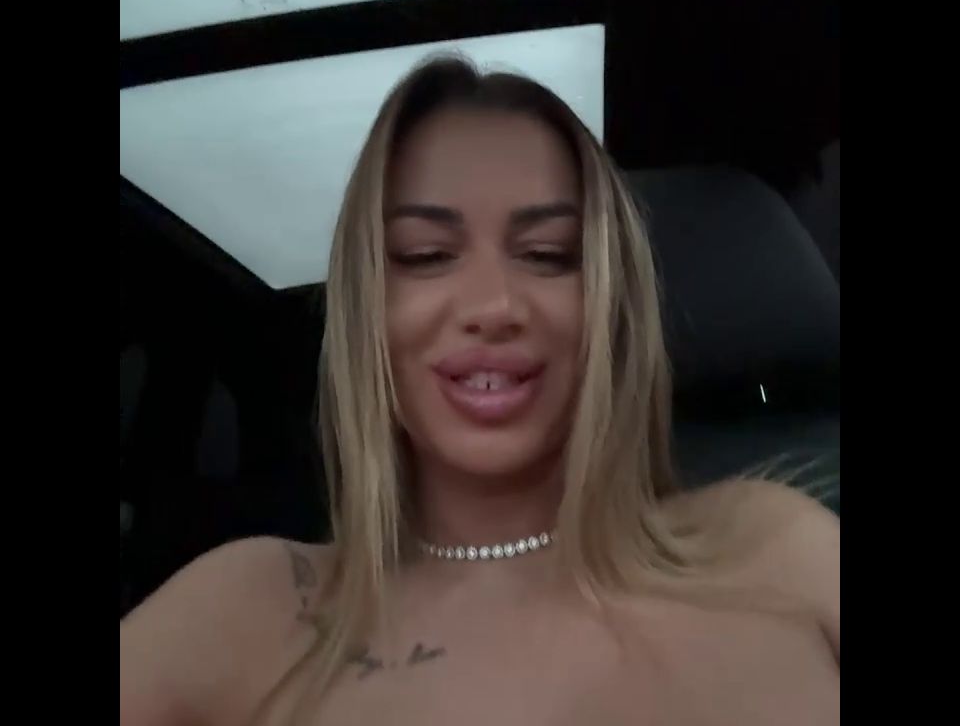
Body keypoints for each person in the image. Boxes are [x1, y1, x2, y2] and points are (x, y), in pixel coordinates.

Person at [120, 56, 840, 725]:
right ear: (369, 309)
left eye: (547, 255)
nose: (494, 306)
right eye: (426, 255)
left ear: (608, 304)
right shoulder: (255, 605)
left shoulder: (775, 545)